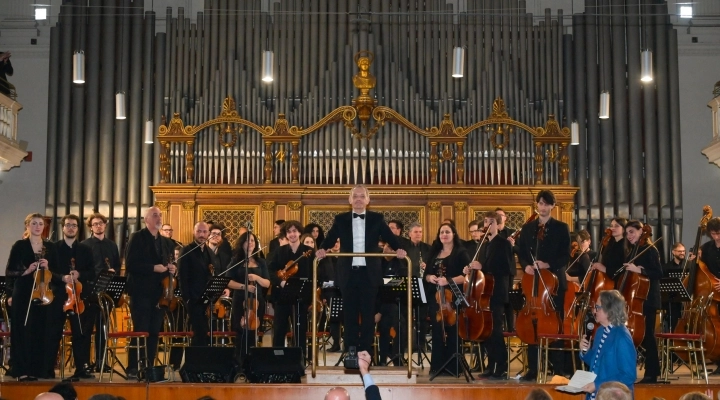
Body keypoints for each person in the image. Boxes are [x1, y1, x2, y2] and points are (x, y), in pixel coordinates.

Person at [316, 185, 406, 354]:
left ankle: (365, 352)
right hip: (347, 273)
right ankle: (350, 352)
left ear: (367, 200)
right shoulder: (340, 219)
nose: (358, 199)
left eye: (361, 196)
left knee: (368, 315)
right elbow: (329, 239)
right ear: (350, 200)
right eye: (355, 196)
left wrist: (399, 249)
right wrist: (322, 249)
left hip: (369, 274)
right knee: (349, 315)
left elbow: (390, 238)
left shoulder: (377, 219)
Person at [516, 190, 571, 380]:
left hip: (554, 283)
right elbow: (522, 253)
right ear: (536, 206)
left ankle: (558, 369)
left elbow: (565, 255)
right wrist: (526, 266)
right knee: (532, 322)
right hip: (533, 281)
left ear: (553, 206)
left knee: (556, 325)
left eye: (547, 204)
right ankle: (533, 368)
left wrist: (548, 264)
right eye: (540, 203)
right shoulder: (528, 228)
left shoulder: (562, 228)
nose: (543, 207)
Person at [5, 213, 60, 381]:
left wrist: (48, 265)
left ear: (44, 227)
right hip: (23, 292)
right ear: (27, 226)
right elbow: (10, 271)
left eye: (40, 224)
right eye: (34, 223)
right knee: (23, 329)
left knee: (42, 330)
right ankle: (22, 369)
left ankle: (41, 369)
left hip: (43, 292)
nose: (37, 226)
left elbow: (58, 272)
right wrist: (27, 271)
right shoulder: (20, 246)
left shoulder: (51, 247)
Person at [124, 206, 177, 379]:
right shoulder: (137, 237)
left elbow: (170, 264)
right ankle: (133, 367)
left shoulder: (167, 242)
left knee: (154, 331)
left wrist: (172, 269)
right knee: (141, 329)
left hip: (160, 293)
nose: (158, 218)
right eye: (155, 215)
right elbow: (131, 265)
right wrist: (153, 267)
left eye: (160, 215)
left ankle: (149, 365)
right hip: (141, 292)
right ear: (146, 219)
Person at [464, 211, 514, 379]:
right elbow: (481, 268)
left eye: (491, 222)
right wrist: (471, 269)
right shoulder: (484, 245)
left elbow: (507, 268)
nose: (487, 225)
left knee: (495, 331)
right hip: (484, 294)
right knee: (487, 332)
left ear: (498, 225)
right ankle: (490, 366)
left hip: (497, 293)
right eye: (485, 222)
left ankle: (501, 368)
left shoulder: (503, 243)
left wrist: (483, 267)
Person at [423, 222, 471, 375]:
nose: (444, 234)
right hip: (435, 297)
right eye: (441, 232)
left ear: (454, 234)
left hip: (453, 297)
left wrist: (448, 280)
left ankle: (453, 366)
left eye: (447, 232)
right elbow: (426, 274)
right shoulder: (434, 252)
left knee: (452, 330)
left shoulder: (461, 252)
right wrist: (430, 277)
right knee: (437, 331)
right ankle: (438, 366)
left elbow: (466, 277)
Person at [52, 214, 95, 380]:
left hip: (78, 297)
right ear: (63, 227)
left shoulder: (85, 249)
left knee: (80, 333)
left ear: (78, 229)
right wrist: (62, 278)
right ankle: (48, 368)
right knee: (53, 332)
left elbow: (92, 271)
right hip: (58, 296)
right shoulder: (54, 248)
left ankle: (81, 368)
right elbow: (49, 272)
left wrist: (79, 274)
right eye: (68, 225)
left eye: (74, 226)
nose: (71, 228)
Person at [623, 220, 662, 383]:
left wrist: (639, 270)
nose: (629, 235)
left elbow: (658, 272)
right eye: (627, 233)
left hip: (648, 299)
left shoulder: (650, 250)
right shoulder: (634, 250)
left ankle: (652, 373)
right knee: (641, 336)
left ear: (641, 232)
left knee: (648, 337)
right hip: (637, 300)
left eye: (632, 232)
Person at [81, 212, 120, 373]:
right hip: (90, 292)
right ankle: (85, 363)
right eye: (95, 224)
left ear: (105, 225)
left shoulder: (112, 245)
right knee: (87, 328)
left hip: (106, 293)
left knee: (103, 329)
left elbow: (117, 265)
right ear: (91, 227)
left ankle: (101, 361)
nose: (98, 226)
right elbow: (83, 269)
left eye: (101, 223)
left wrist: (113, 272)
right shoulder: (84, 245)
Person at [579, 290, 636, 399]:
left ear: (609, 311)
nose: (594, 311)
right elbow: (597, 363)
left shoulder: (622, 337)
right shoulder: (601, 331)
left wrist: (597, 385)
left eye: (597, 307)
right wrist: (585, 351)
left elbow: (628, 376)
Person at [267, 220, 314, 354]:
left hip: (301, 296)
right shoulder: (279, 252)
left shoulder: (308, 252)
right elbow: (270, 271)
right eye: (289, 232)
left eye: (294, 231)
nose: (292, 234)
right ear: (286, 234)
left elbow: (314, 273)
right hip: (282, 296)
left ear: (299, 232)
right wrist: (280, 282)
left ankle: (299, 358)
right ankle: (278, 358)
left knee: (300, 329)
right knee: (280, 329)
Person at [224, 231, 269, 358]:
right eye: (247, 240)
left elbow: (267, 283)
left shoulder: (261, 262)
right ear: (242, 243)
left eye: (253, 241)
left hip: (257, 301)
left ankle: (253, 360)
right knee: (241, 331)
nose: (250, 243)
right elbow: (228, 281)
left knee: (254, 331)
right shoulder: (236, 261)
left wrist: (256, 277)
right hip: (240, 300)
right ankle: (240, 361)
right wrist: (244, 287)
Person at [178, 221, 213, 346]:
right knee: (199, 331)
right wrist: (187, 298)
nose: (201, 235)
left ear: (208, 233)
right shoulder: (186, 250)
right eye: (199, 231)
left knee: (205, 332)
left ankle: (203, 360)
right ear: (194, 232)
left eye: (204, 232)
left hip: (207, 299)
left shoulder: (209, 252)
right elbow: (182, 276)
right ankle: (196, 362)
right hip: (193, 299)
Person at [663, 242, 693, 331]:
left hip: (687, 298)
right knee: (673, 317)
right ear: (673, 252)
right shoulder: (666, 267)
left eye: (684, 251)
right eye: (680, 251)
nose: (682, 253)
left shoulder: (689, 266)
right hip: (673, 300)